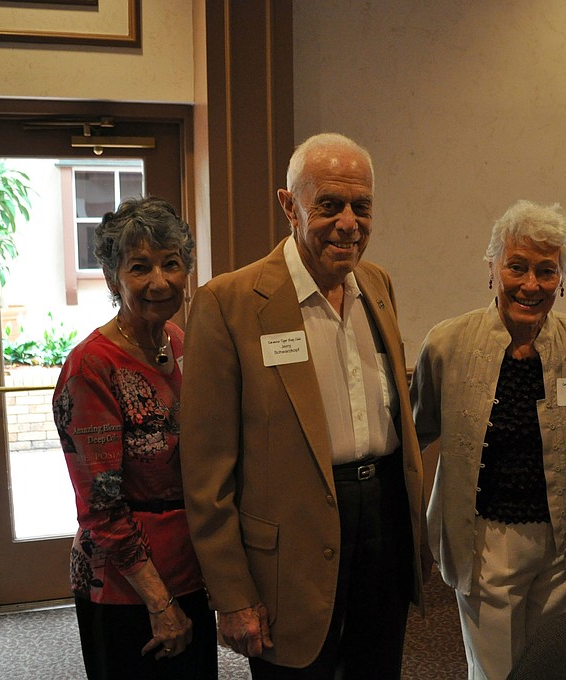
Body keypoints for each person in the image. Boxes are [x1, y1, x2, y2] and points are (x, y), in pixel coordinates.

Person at [179, 132, 427, 680]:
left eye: (361, 207)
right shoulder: (230, 303)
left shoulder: (377, 283)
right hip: (288, 547)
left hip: (382, 518)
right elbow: (205, 472)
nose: (348, 223)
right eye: (329, 205)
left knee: (377, 668)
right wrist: (233, 595)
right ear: (289, 206)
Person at [410, 199, 566, 680]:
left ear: (562, 278)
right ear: (492, 268)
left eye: (547, 271)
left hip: (565, 540)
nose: (530, 284)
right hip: (484, 540)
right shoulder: (447, 345)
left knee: (555, 662)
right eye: (516, 267)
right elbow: (416, 435)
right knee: (495, 669)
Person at [52, 197, 217, 680]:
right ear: (111, 277)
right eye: (139, 267)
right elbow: (101, 507)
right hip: (126, 587)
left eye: (171, 264)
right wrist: (160, 603)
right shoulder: (92, 366)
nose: (159, 281)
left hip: (189, 569)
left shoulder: (182, 342)